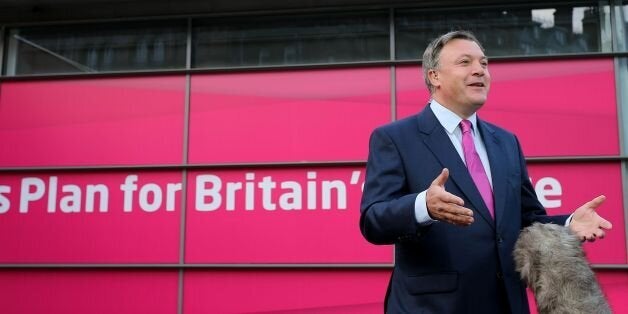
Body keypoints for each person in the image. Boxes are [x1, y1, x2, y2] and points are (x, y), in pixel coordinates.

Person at [359, 30, 613, 314]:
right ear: (434, 77)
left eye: (484, 63)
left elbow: (527, 218)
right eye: (465, 62)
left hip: (505, 302)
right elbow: (373, 220)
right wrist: (423, 206)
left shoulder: (505, 141)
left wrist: (567, 224)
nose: (479, 70)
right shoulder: (396, 137)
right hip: (434, 306)